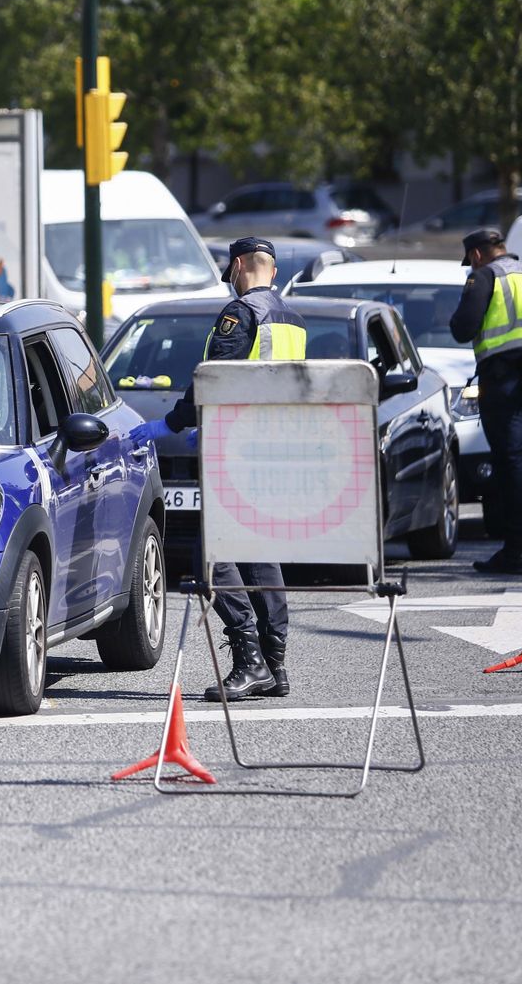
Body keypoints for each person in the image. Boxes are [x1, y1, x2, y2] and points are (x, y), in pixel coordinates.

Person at [130, 237, 307, 701]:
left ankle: (249, 662)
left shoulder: (240, 314)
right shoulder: (292, 319)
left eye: (230, 266)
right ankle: (275, 664)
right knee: (261, 554)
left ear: (240, 264)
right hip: (273, 451)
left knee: (214, 559)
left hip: (238, 450)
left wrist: (172, 424)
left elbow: (214, 377)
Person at [449, 227, 522, 575]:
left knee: (512, 464)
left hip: (505, 382)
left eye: (471, 263)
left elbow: (463, 328)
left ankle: (516, 553)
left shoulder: (484, 277)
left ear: (477, 255)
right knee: (520, 463)